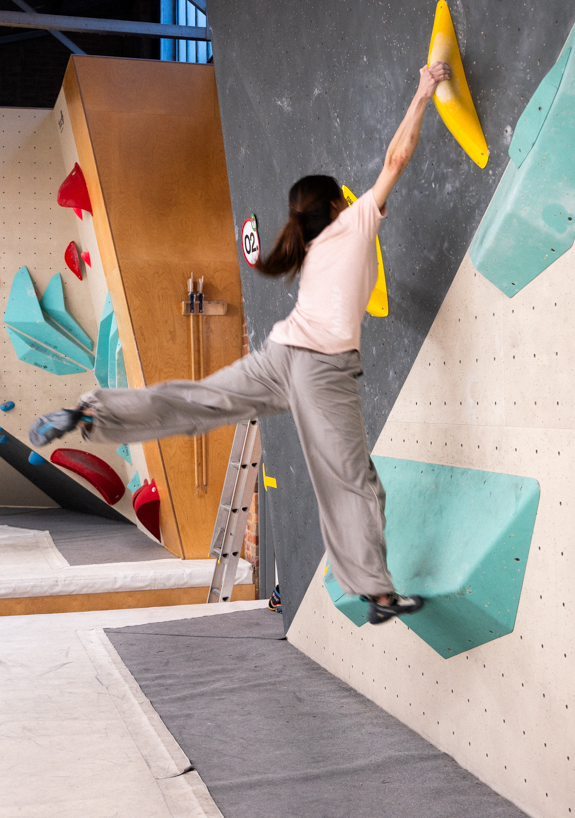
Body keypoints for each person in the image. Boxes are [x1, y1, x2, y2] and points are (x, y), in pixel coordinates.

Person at [30, 60, 452, 624]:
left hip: (278, 358)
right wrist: (424, 88)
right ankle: (377, 593)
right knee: (352, 483)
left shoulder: (311, 249)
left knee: (194, 402)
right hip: (322, 372)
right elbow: (396, 158)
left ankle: (91, 413)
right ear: (336, 205)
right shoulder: (353, 224)